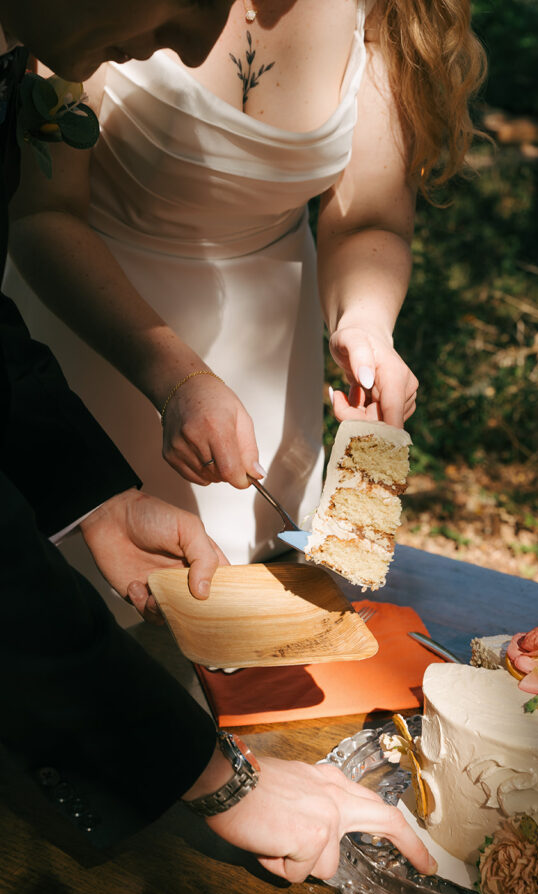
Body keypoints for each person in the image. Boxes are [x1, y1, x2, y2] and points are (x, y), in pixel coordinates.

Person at [0, 0, 436, 882]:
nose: (201, 44)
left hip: (69, 413)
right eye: (192, 6)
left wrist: (88, 493)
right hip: (93, 359)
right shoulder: (53, 49)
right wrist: (214, 781)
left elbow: (367, 217)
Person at [4, 0, 486, 627]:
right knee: (66, 635)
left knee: (250, 634)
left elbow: (369, 216)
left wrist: (364, 323)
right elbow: (42, 213)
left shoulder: (390, 9)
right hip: (88, 352)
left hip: (269, 370)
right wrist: (179, 377)